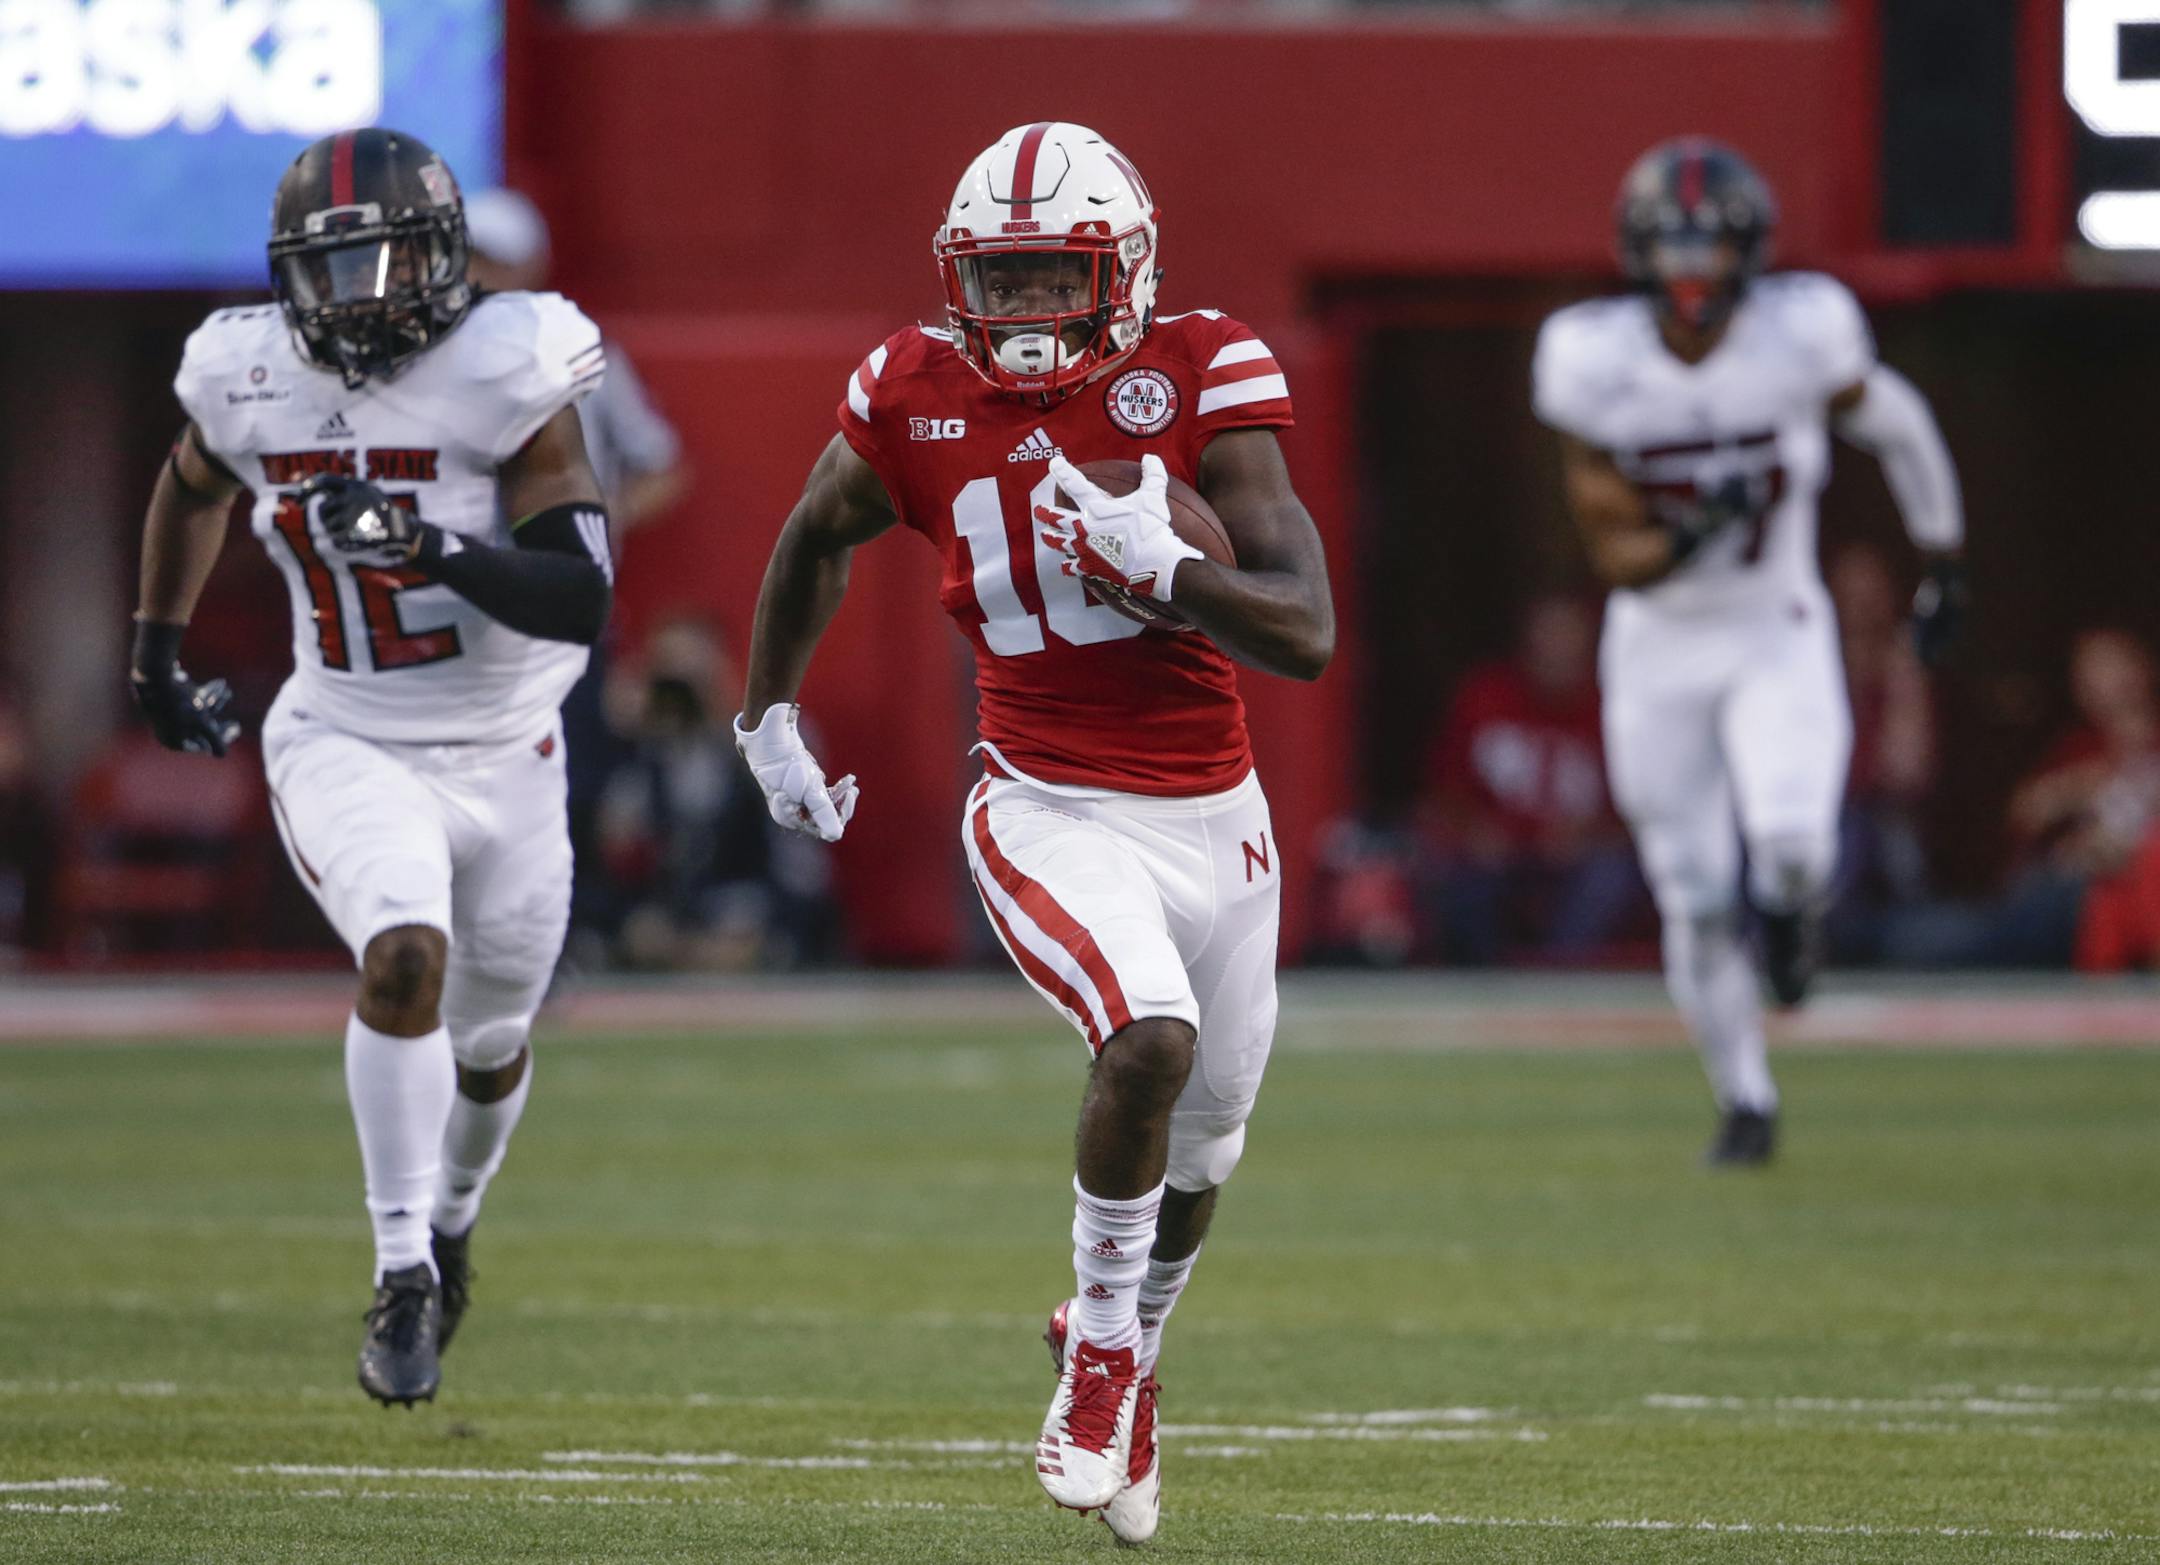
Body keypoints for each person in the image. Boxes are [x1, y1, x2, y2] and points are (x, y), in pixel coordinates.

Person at [731, 122, 1333, 1542]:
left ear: (1121, 272)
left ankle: (1111, 1338)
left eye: (1048, 281)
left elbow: (1304, 632)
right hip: (1046, 800)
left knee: (1210, 1144)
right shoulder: (910, 391)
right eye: (995, 284)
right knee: (1149, 1037)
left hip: (1215, 818)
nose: (1018, 316)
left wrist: (1173, 571)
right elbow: (819, 532)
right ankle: (1111, 1355)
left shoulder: (1202, 370)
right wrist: (768, 716)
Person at [126, 129, 614, 1406]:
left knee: (495, 1034)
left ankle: (450, 1223)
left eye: (379, 265)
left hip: (511, 748)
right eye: (326, 270)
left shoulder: (510, 363)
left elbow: (579, 595)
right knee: (405, 953)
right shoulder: (244, 373)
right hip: (347, 731)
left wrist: (428, 550)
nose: (351, 299)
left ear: (443, 263)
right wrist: (153, 655)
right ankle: (399, 1267)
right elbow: (190, 490)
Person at [1533, 138, 1966, 1165]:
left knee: (1792, 843)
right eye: (1672, 245)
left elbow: (1897, 422)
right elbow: (1614, 544)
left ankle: (1791, 918)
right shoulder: (1593, 360)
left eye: (1710, 246)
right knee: (1688, 886)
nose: (1692, 271)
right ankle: (1746, 1093)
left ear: (1750, 253)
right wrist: (1685, 530)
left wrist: (1946, 558)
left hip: (1776, 625)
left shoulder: (1800, 336)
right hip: (1659, 642)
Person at [462, 187, 689, 965]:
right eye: (472, 259)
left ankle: (556, 931)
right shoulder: (429, 363)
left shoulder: (581, 350)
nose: (480, 275)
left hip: (558, 600)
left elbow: (661, 465)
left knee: (571, 776)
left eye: (494, 259)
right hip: (460, 602)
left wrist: (594, 516)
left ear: (531, 264)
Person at [1419, 592, 1642, 964]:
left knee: (1611, 875)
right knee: (1452, 871)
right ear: (1526, 643)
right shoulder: (1485, 697)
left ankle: (1563, 973)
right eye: (1548, 638)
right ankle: (1478, 978)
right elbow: (1441, 792)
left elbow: (1638, 812)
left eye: (1569, 640)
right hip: (1494, 852)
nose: (1558, 651)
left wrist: (1587, 835)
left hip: (1574, 859)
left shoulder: (1611, 710)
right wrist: (1476, 830)